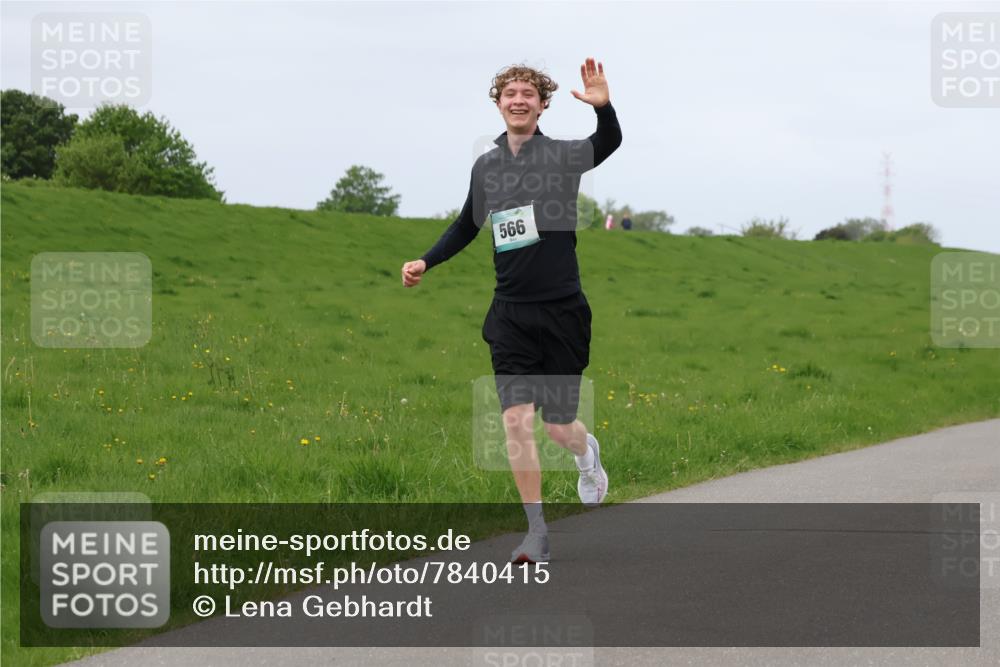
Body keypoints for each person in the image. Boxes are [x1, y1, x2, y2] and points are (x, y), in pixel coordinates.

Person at [400, 58, 622, 564]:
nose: (518, 99)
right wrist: (425, 261)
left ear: (543, 105)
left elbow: (607, 143)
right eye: (509, 93)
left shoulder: (563, 157)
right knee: (517, 422)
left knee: (558, 429)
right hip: (511, 316)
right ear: (499, 104)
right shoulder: (488, 166)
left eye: (528, 93)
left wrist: (604, 108)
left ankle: (588, 459)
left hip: (563, 312)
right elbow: (465, 225)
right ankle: (536, 531)